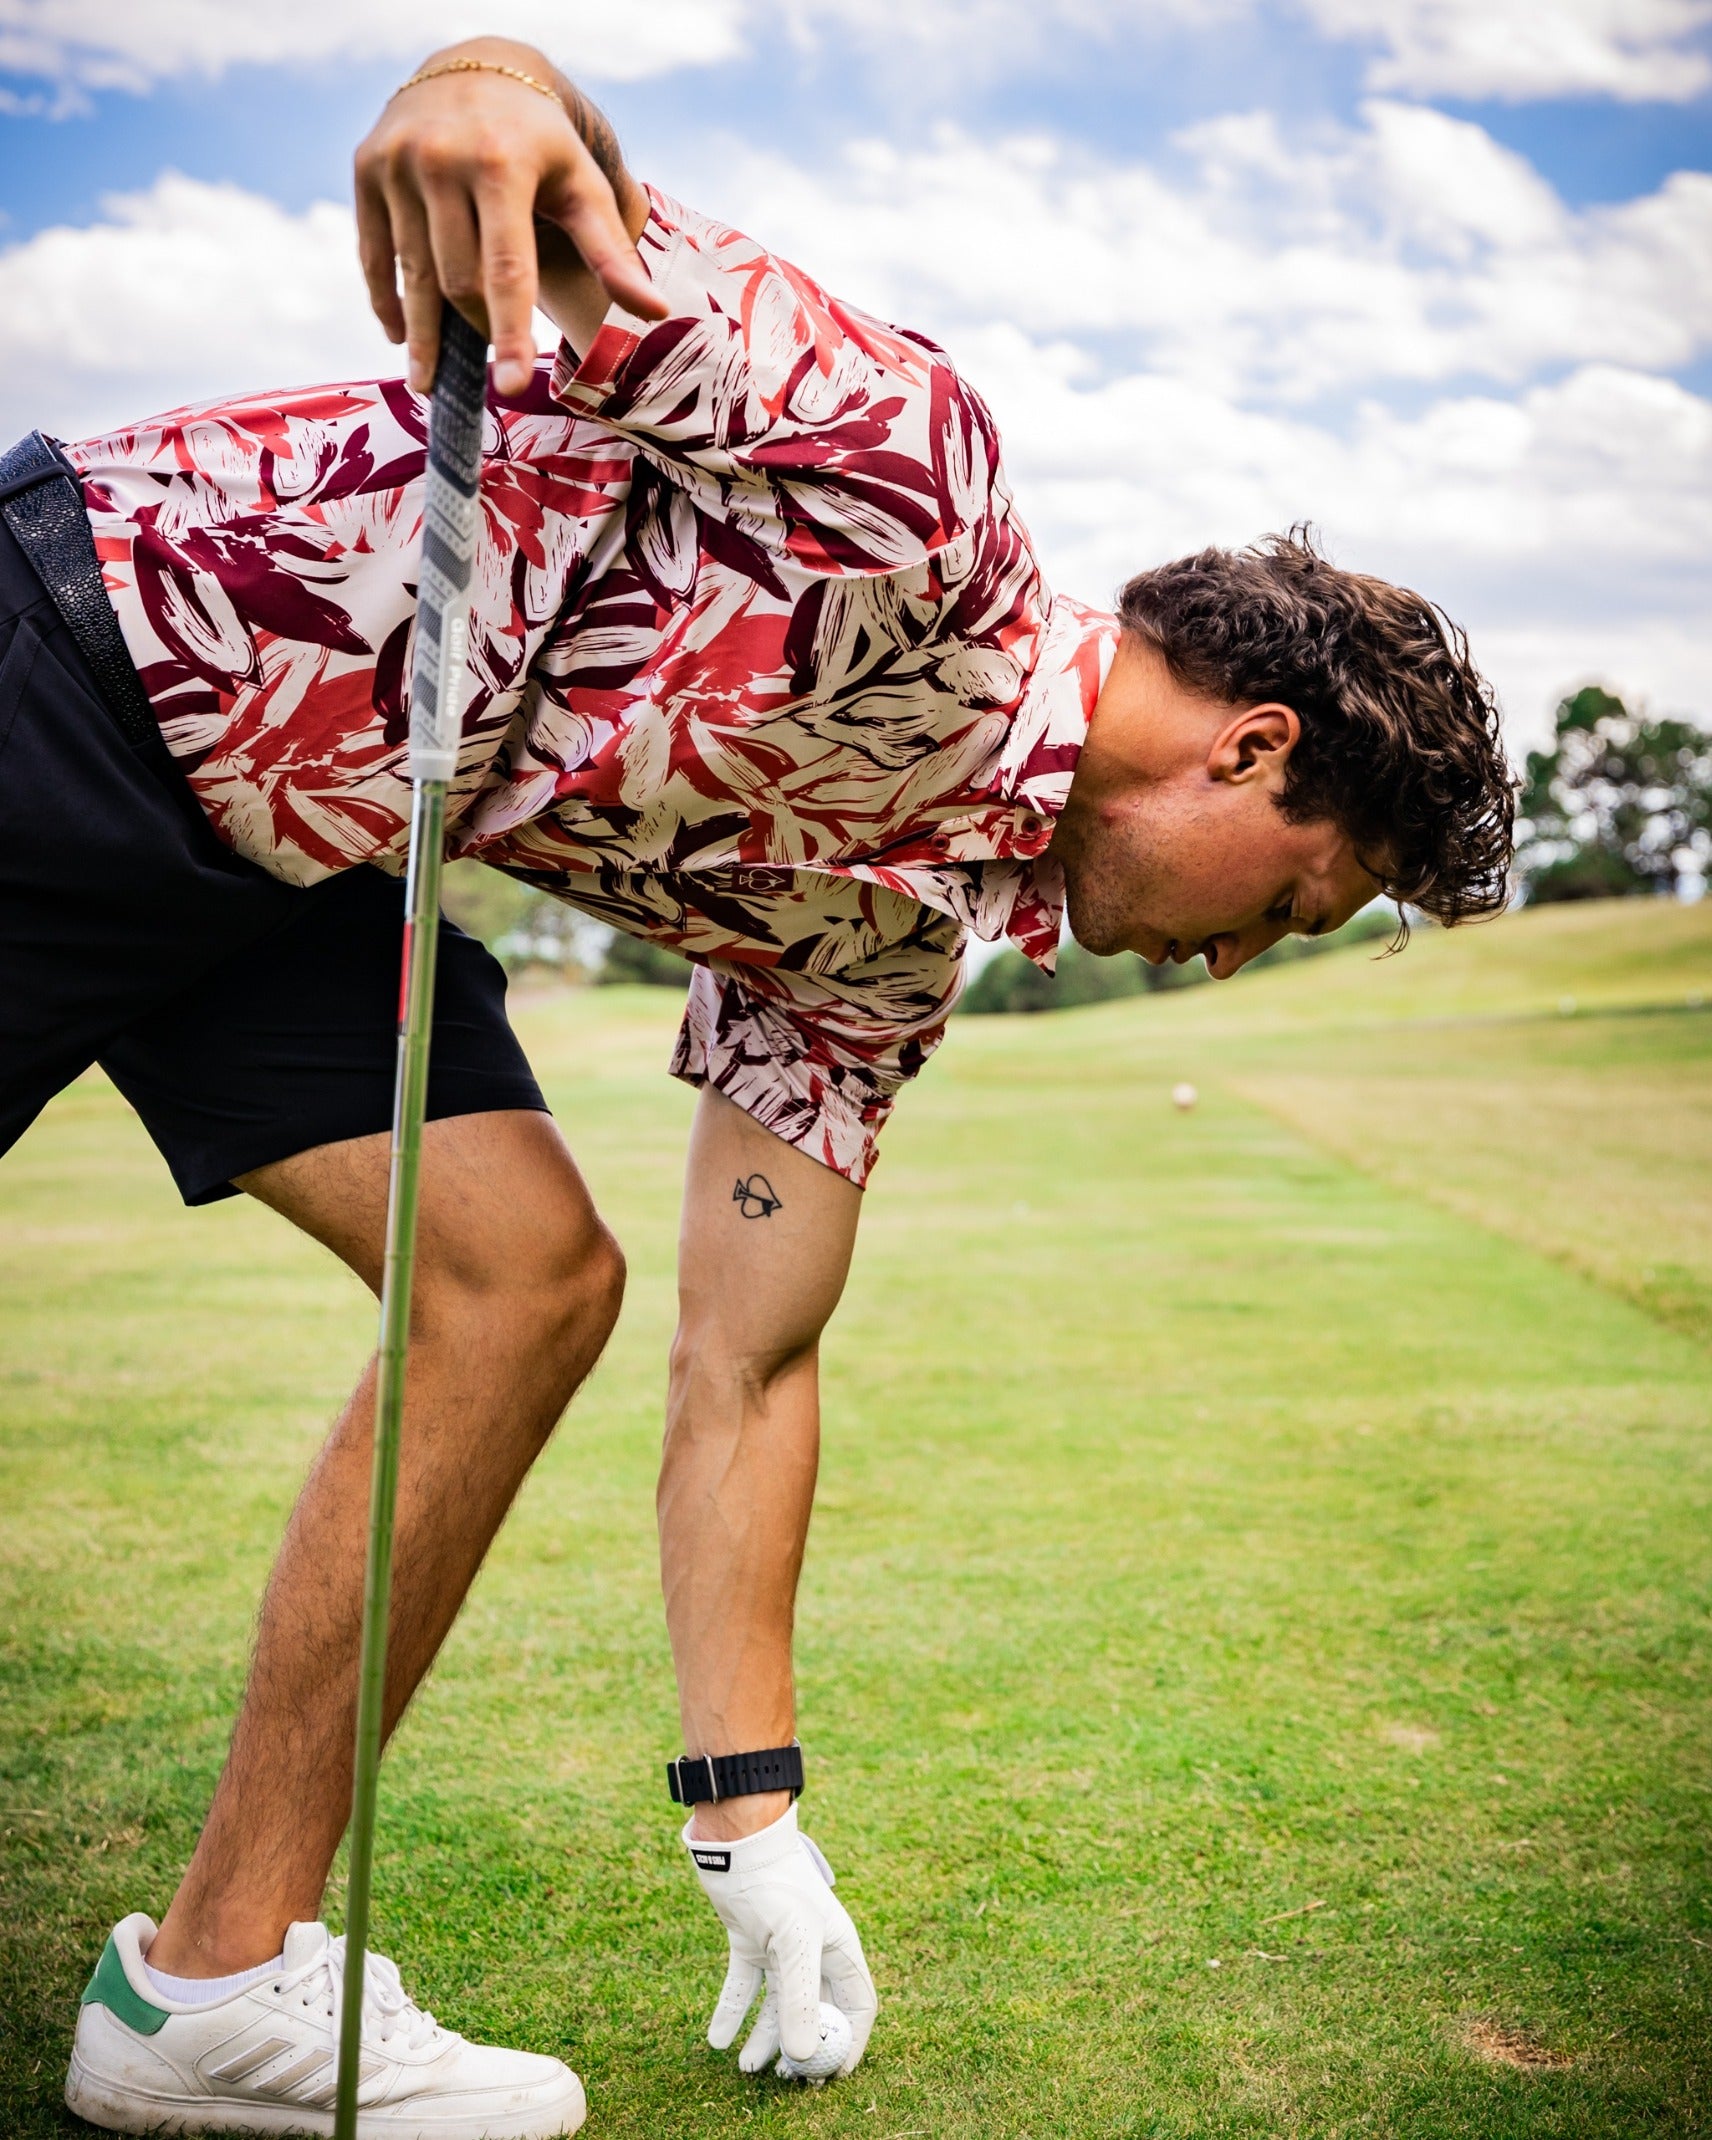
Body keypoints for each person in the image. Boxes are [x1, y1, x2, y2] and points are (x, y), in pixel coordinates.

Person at [1, 37, 1513, 2139]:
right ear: (1253, 751)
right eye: (1302, 898)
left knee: (523, 1280)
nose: (1244, 951)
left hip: (313, 864)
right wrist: (484, 76)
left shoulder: (885, 950)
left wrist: (751, 1817)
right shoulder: (920, 484)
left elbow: (751, 1356)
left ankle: (208, 1992)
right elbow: (554, 205)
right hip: (77, 666)